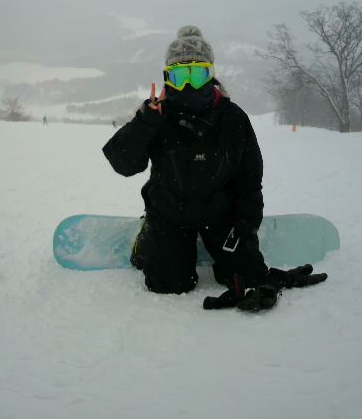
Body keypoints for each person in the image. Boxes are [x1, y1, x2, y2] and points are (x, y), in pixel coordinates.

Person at [103, 26, 327, 311]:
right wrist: (145, 123)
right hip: (169, 214)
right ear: (167, 78)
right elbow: (123, 164)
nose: (188, 85)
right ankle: (147, 240)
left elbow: (249, 176)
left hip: (220, 215)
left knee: (247, 276)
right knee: (169, 284)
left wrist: (247, 222)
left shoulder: (233, 118)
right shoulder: (157, 115)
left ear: (210, 74)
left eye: (196, 74)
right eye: (179, 76)